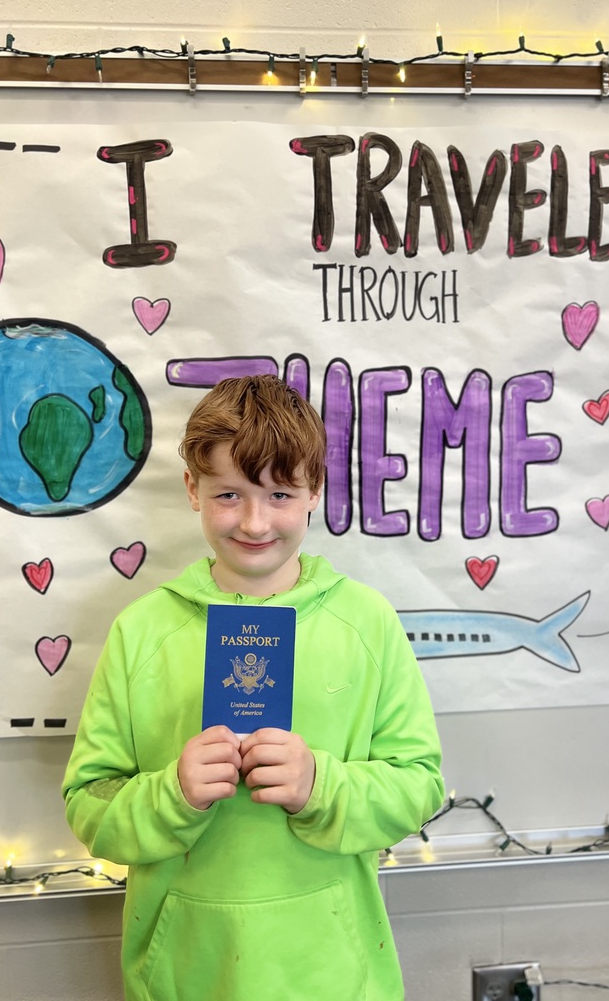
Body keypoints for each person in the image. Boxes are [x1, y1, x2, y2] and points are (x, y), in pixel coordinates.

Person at [62, 374, 444, 1001]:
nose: (255, 521)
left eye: (281, 494)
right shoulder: (141, 630)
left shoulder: (367, 621)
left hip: (333, 973)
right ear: (192, 489)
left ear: (315, 491)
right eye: (229, 494)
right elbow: (88, 803)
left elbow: (419, 783)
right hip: (186, 973)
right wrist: (170, 794)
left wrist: (321, 785)